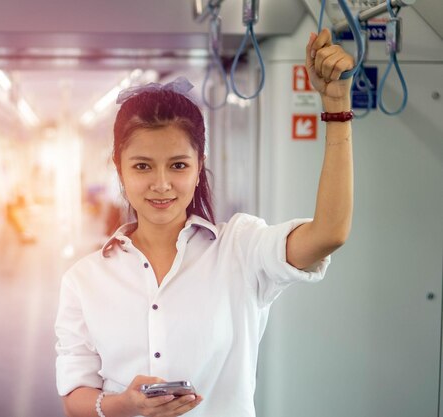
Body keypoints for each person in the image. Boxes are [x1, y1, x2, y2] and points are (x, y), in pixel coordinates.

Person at [55, 28, 354, 417]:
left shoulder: (241, 250)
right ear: (120, 170)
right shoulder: (84, 280)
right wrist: (122, 406)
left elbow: (329, 233)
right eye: (142, 166)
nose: (161, 184)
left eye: (178, 165)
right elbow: (75, 396)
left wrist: (336, 109)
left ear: (199, 168)